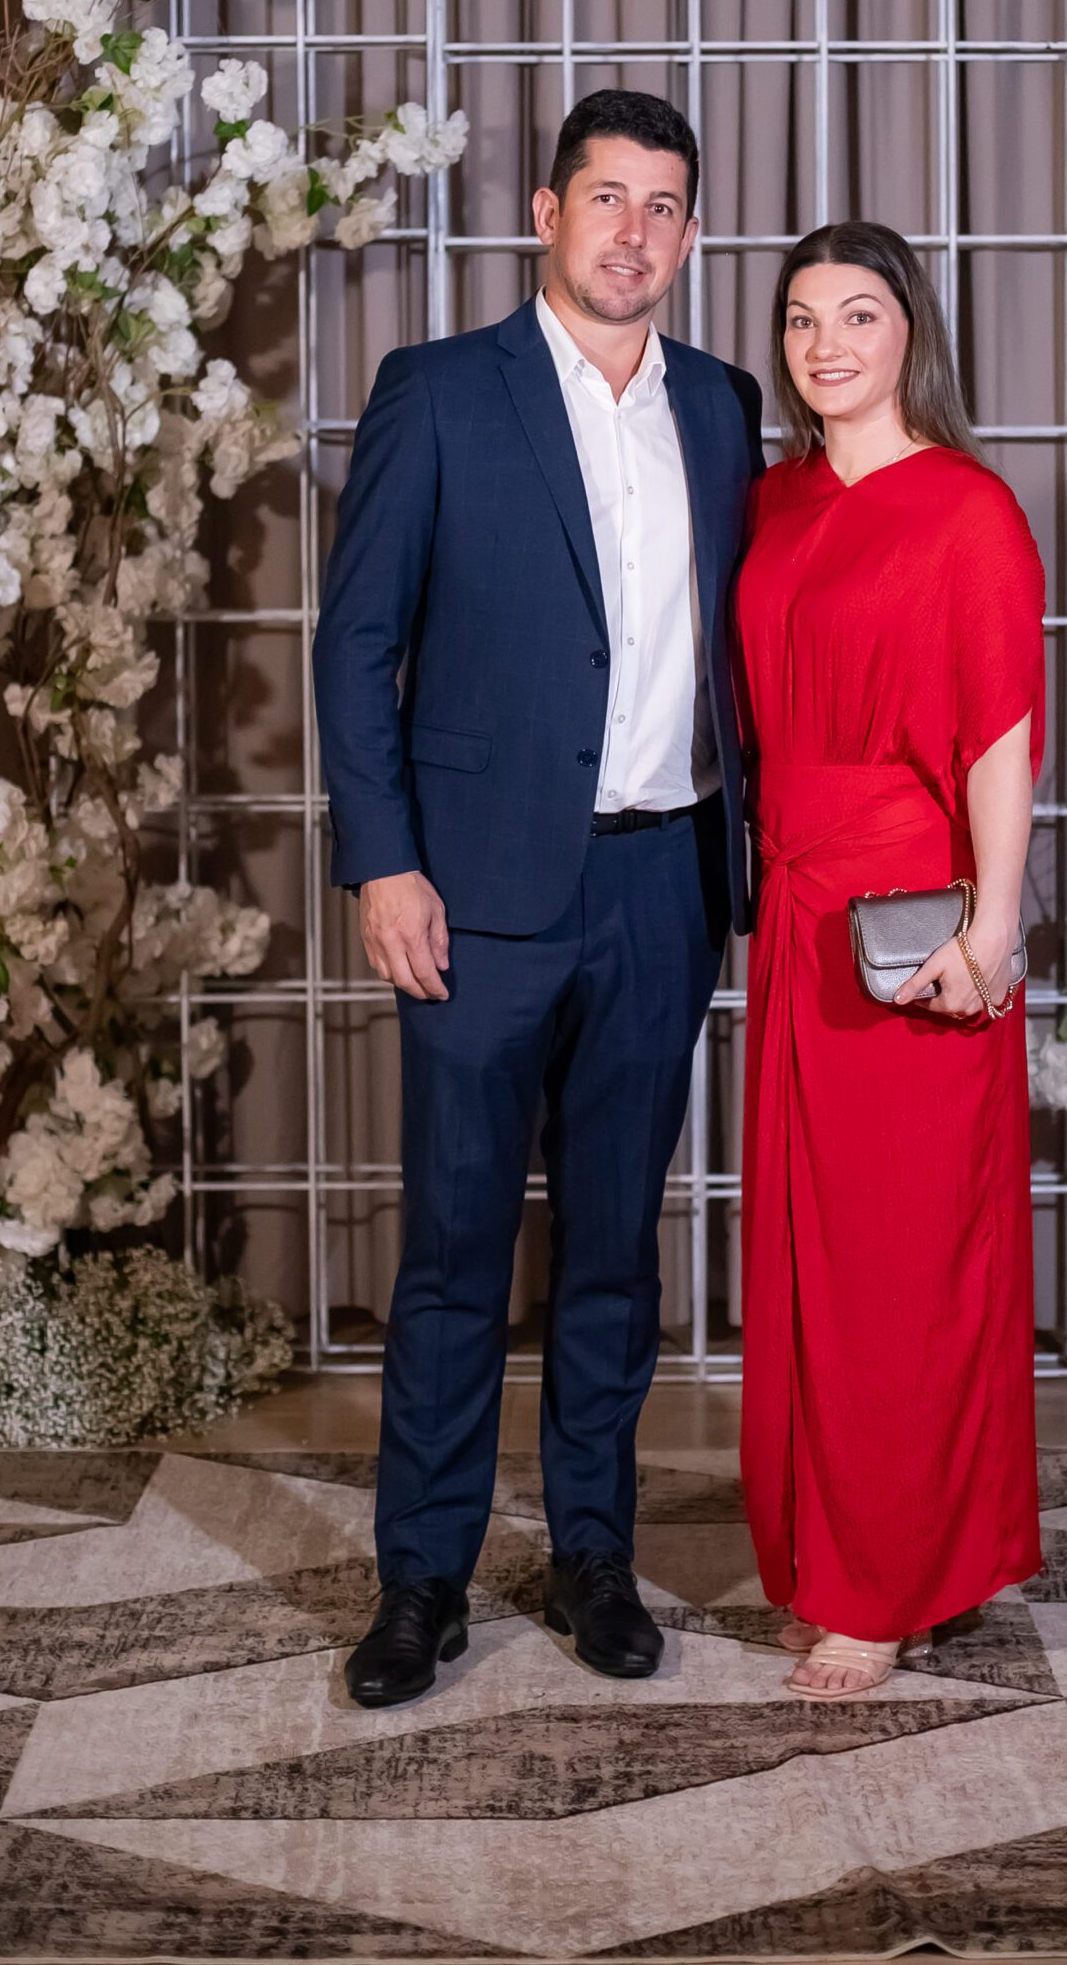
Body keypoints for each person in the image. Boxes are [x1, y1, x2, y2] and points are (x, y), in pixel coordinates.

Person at [313, 89, 765, 1708]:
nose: (633, 231)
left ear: (690, 236)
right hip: (475, 893)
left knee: (613, 1251)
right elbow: (357, 645)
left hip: (663, 883)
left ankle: (592, 1557)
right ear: (547, 216)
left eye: (664, 206)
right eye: (607, 198)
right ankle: (421, 1581)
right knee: (454, 1251)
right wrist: (384, 860)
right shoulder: (440, 392)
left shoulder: (723, 405)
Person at [731, 219, 1047, 1700]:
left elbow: (998, 735)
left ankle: (887, 1584)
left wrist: (993, 928)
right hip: (796, 913)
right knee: (812, 1262)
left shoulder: (970, 511)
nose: (826, 344)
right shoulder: (777, 499)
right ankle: (841, 1555)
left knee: (906, 1269)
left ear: (912, 328)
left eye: (858, 313)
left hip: (912, 929)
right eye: (802, 319)